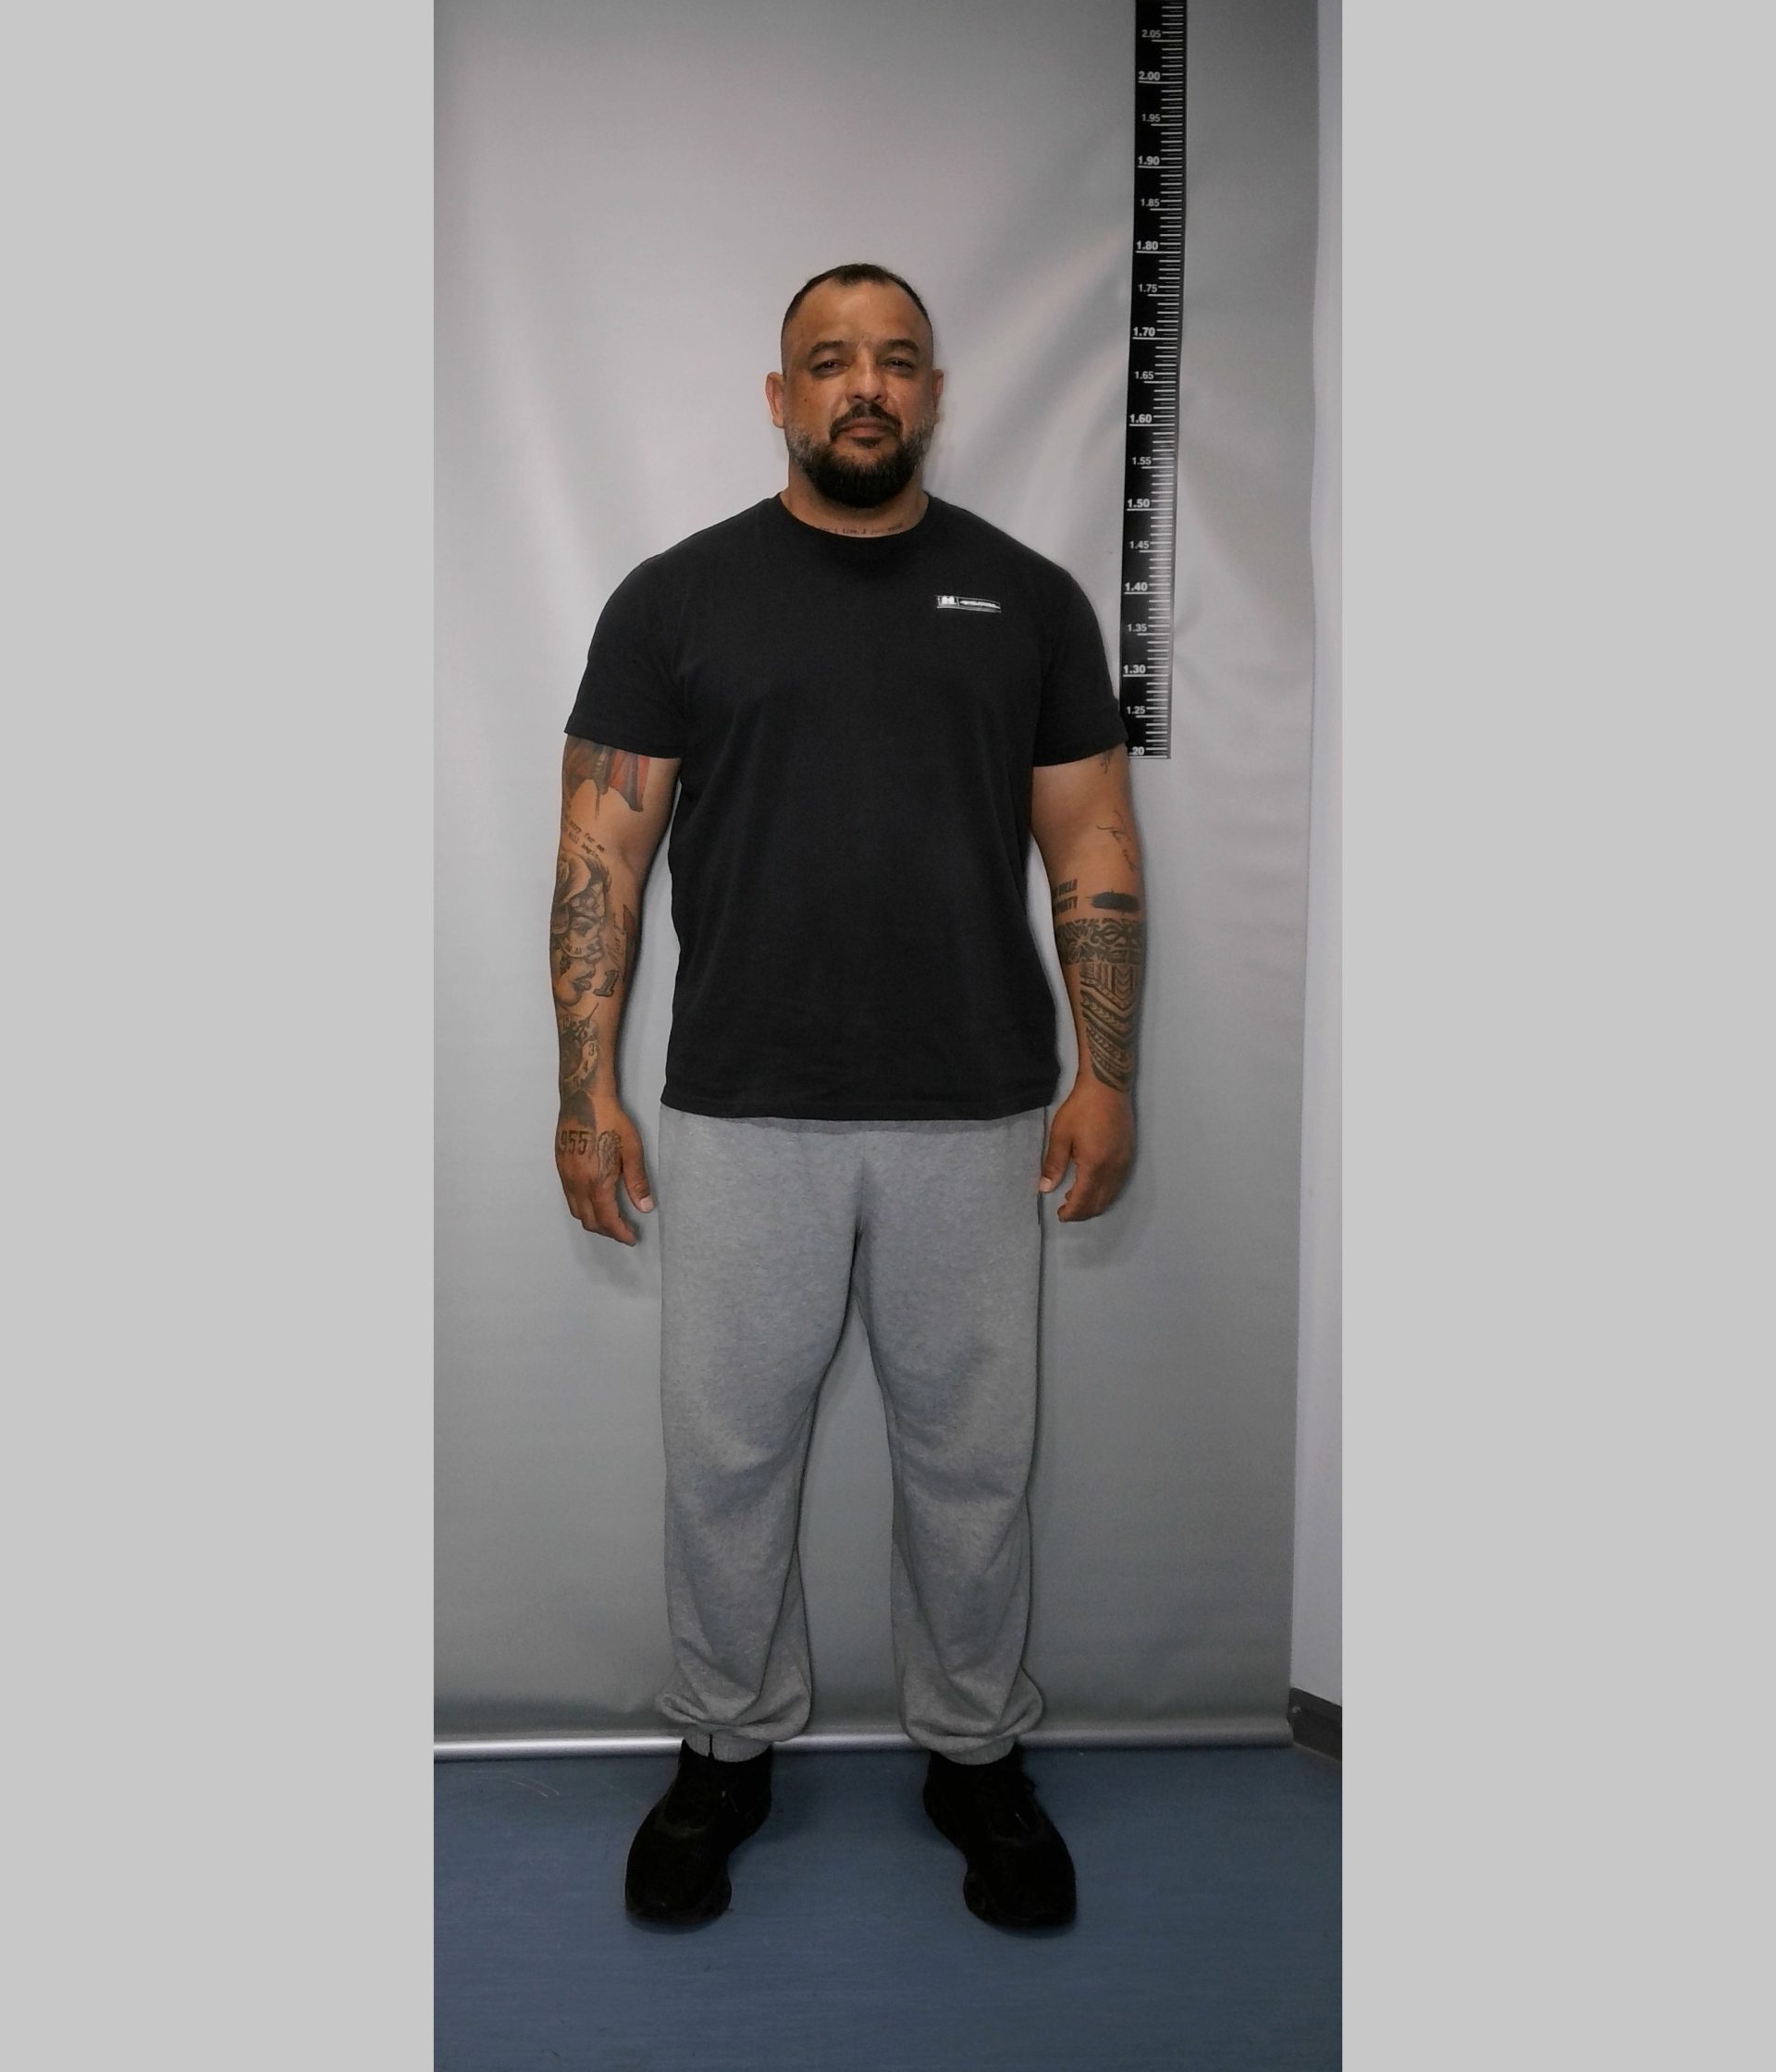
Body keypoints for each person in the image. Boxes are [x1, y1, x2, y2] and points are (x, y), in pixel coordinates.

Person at [550, 263, 1146, 1931]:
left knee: (975, 1465)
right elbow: (600, 858)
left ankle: (973, 1753)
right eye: (829, 361)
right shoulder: (676, 601)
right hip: (745, 1106)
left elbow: (1093, 840)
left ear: (934, 393)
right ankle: (724, 1746)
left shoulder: (1030, 601)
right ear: (780, 396)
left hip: (976, 1105)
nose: (863, 386)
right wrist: (584, 1090)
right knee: (724, 1463)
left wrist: (1107, 1074)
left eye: (894, 360)